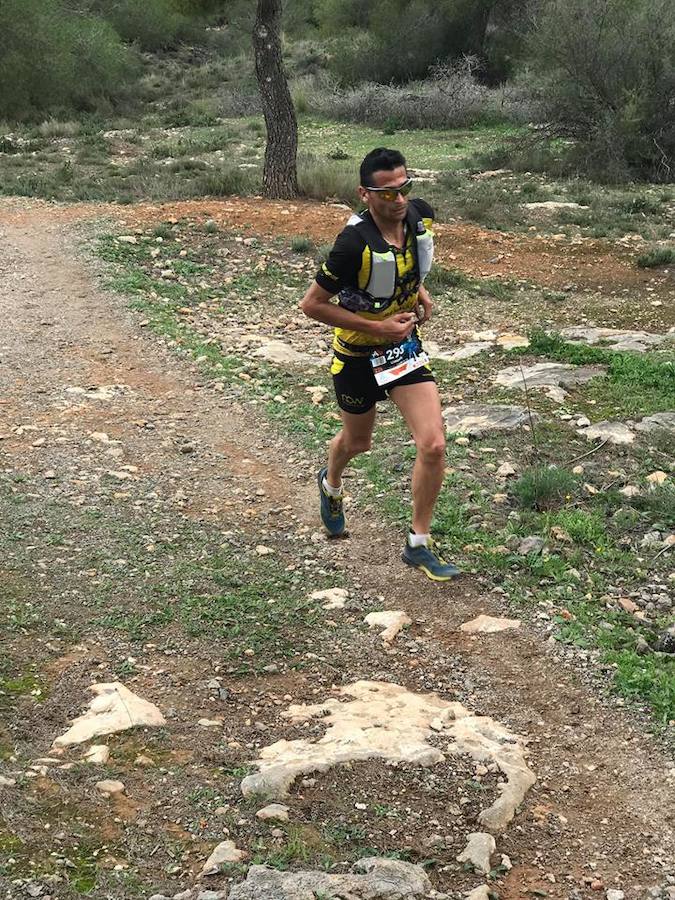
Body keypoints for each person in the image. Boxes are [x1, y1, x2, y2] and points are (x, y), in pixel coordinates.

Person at [299, 147, 460, 581]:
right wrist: (377, 326)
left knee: (434, 444)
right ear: (365, 195)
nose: (400, 199)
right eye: (387, 193)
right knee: (358, 443)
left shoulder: (417, 220)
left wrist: (419, 293)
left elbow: (410, 269)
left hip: (402, 350)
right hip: (356, 356)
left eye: (404, 187)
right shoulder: (352, 244)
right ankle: (331, 484)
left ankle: (418, 544)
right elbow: (312, 305)